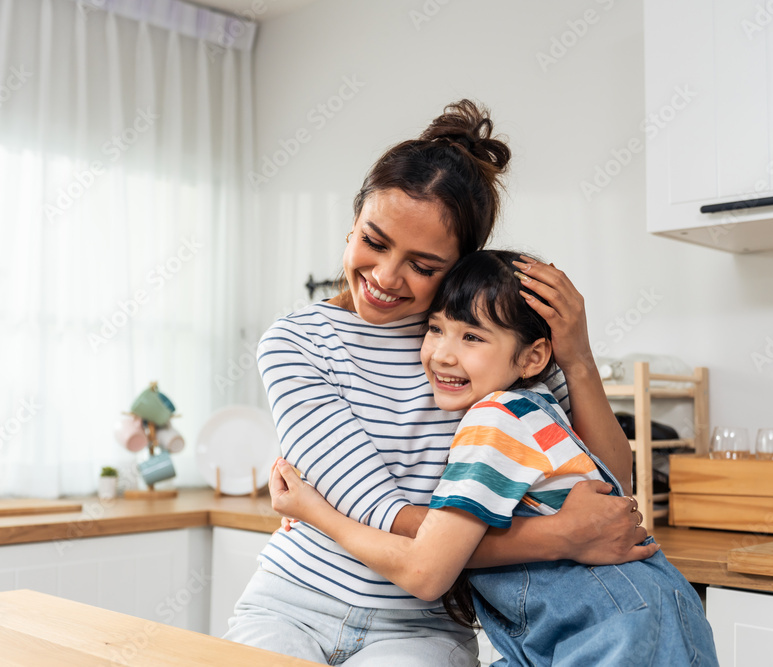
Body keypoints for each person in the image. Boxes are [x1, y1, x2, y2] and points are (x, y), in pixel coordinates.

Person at [223, 100, 658, 666]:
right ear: (353, 221)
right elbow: (380, 512)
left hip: (422, 631)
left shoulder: (486, 348)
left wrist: (577, 357)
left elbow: (607, 485)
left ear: (459, 267)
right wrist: (560, 537)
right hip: (291, 603)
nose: (384, 277)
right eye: (374, 241)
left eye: (423, 266)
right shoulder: (294, 343)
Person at [269, 249, 719, 667]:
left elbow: (425, 572)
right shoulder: (532, 408)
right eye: (435, 328)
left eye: (472, 337)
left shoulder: (494, 421)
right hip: (632, 615)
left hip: (617, 631)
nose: (443, 354)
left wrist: (313, 511)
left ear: (533, 357)